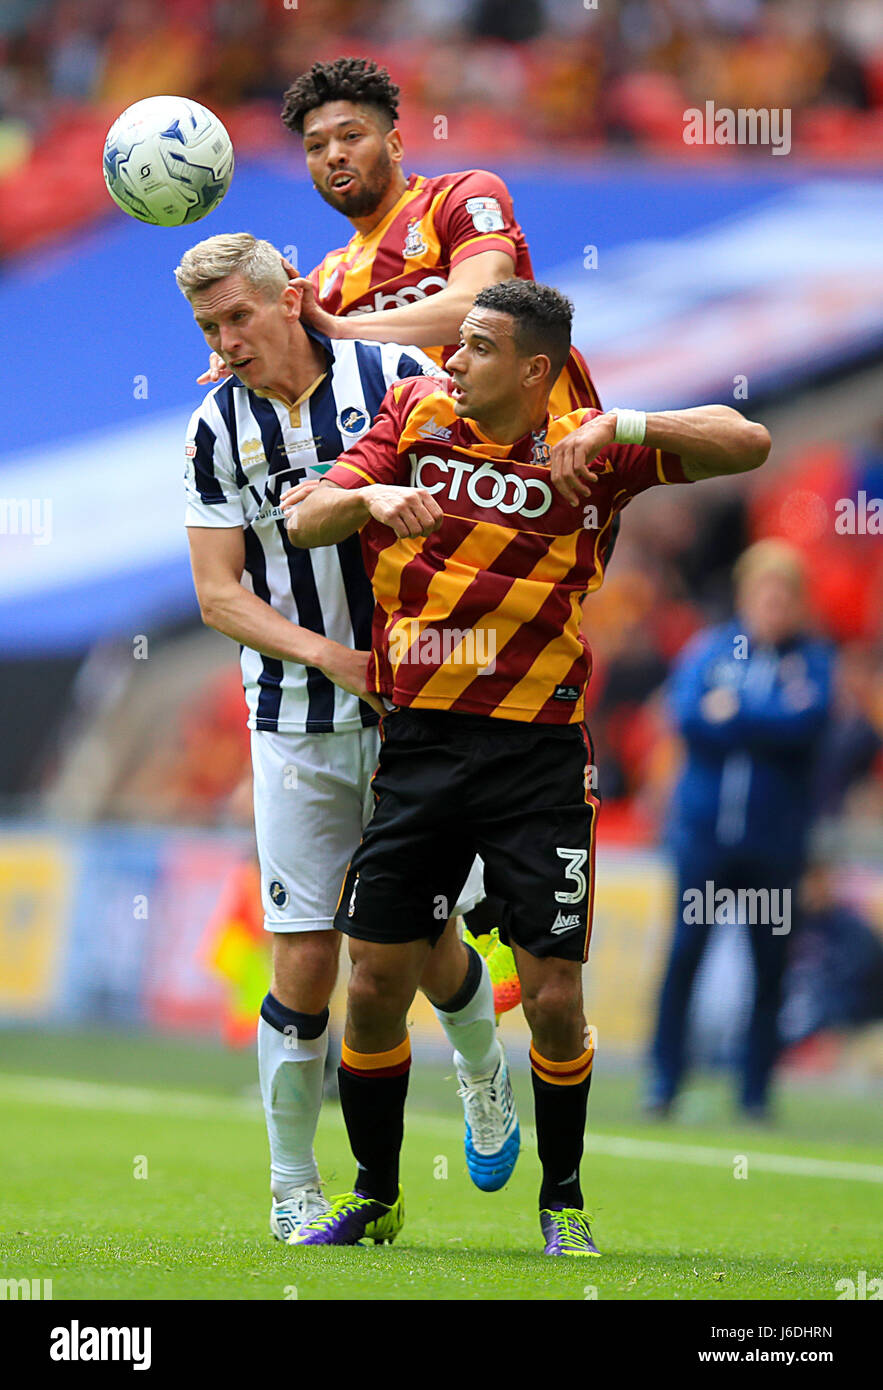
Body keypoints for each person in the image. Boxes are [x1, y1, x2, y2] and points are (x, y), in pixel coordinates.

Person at [283, 277, 770, 1253]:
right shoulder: (412, 413)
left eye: (474, 345)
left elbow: (748, 441)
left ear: (534, 369)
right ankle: (376, 1195)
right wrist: (368, 490)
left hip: (536, 753)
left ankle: (564, 1202)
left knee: (552, 996)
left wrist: (621, 422)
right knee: (374, 983)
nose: (450, 359)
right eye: (455, 343)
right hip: (417, 744)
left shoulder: (590, 443)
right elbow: (305, 515)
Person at [176, 232, 520, 1243]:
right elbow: (216, 595)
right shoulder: (211, 428)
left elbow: (482, 477)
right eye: (208, 328)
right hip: (296, 719)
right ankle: (292, 1188)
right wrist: (329, 657)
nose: (227, 341)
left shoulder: (399, 373)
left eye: (238, 316)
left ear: (290, 300)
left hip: (423, 711)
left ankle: (481, 1069)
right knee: (302, 959)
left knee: (421, 945)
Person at [199, 54, 601, 419]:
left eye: (351, 136)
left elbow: (481, 306)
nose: (334, 155)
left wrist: (339, 328)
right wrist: (249, 349)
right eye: (315, 146)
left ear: (394, 146)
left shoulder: (461, 196)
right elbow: (296, 362)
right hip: (439, 475)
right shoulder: (325, 283)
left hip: (546, 450)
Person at [645, 540, 834, 1120]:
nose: (774, 604)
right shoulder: (711, 650)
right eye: (765, 592)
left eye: (784, 594)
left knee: (769, 966)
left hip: (774, 846)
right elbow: (687, 717)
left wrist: (738, 714)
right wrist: (759, 716)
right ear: (746, 595)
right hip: (706, 841)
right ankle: (664, 1081)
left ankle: (755, 1092)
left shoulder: (813, 658)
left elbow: (806, 723)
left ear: (798, 602)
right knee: (686, 958)